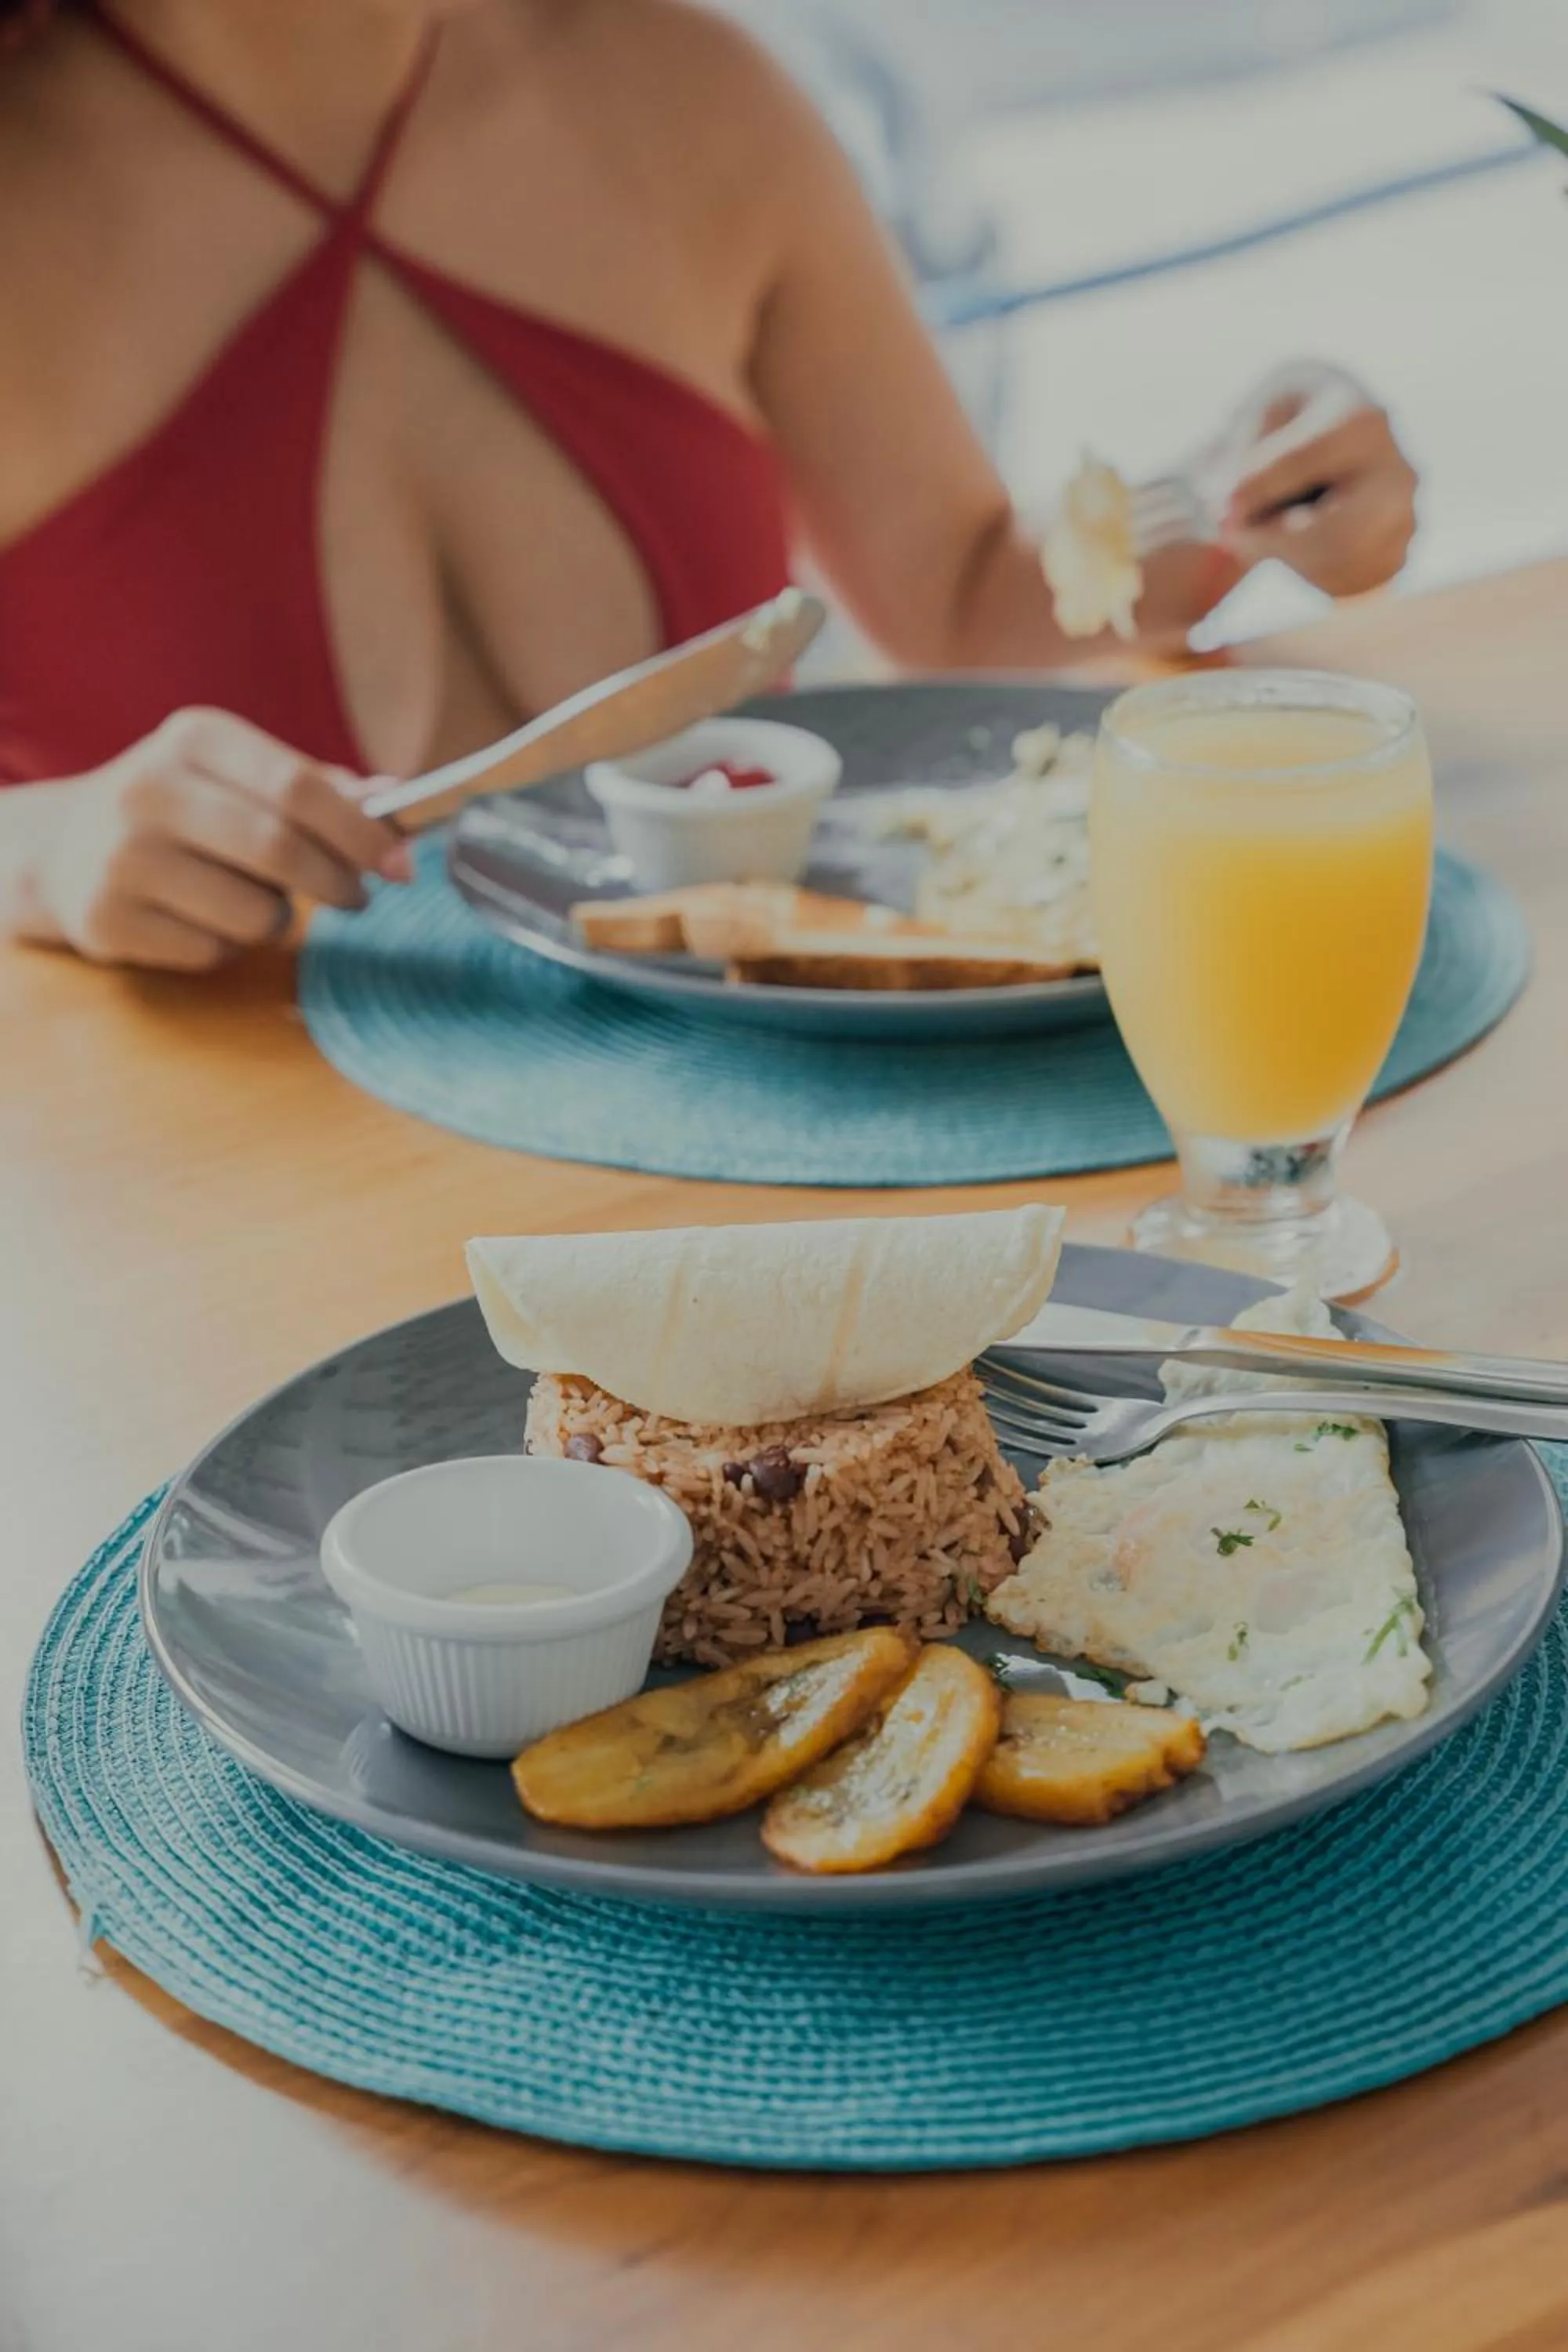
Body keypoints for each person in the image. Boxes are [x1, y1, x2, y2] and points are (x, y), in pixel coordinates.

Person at [0, 0, 1418, 971]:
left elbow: (959, 591)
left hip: (752, 1136)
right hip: (222, 1241)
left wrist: (1245, 501)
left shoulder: (686, 91)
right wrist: (45, 851)